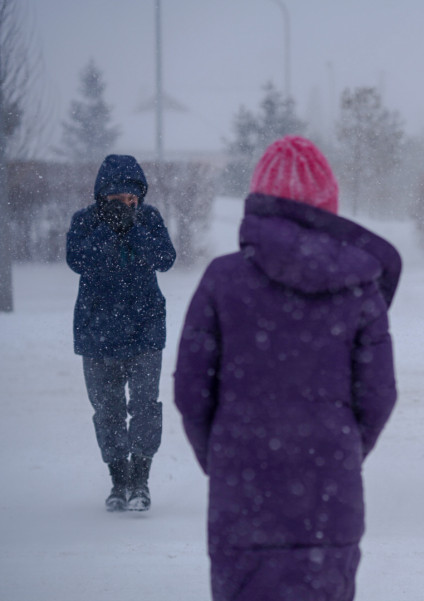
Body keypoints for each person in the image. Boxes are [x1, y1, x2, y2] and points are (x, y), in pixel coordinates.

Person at [173, 136, 401, 601]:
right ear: (327, 204)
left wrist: (220, 456)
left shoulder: (222, 279)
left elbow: (191, 391)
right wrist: (340, 450)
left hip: (242, 494)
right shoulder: (359, 284)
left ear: (258, 202)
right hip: (328, 493)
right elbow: (378, 395)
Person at [66, 154, 176, 512]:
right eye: (116, 199)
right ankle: (118, 481)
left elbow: (166, 259)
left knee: (145, 407)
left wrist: (134, 227)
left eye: (131, 198)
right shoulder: (85, 221)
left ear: (140, 196)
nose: (125, 204)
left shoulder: (150, 219)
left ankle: (141, 480)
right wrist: (107, 230)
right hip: (97, 332)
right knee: (107, 410)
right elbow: (77, 261)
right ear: (102, 197)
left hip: (144, 330)